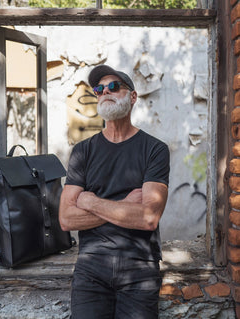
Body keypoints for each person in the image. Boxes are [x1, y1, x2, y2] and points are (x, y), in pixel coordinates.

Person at [59, 64, 170, 319]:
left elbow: (148, 218)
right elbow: (66, 219)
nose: (105, 92)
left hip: (139, 267)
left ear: (132, 97)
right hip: (91, 266)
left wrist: (90, 201)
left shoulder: (155, 150)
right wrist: (125, 204)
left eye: (114, 86)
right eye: (99, 88)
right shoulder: (82, 151)